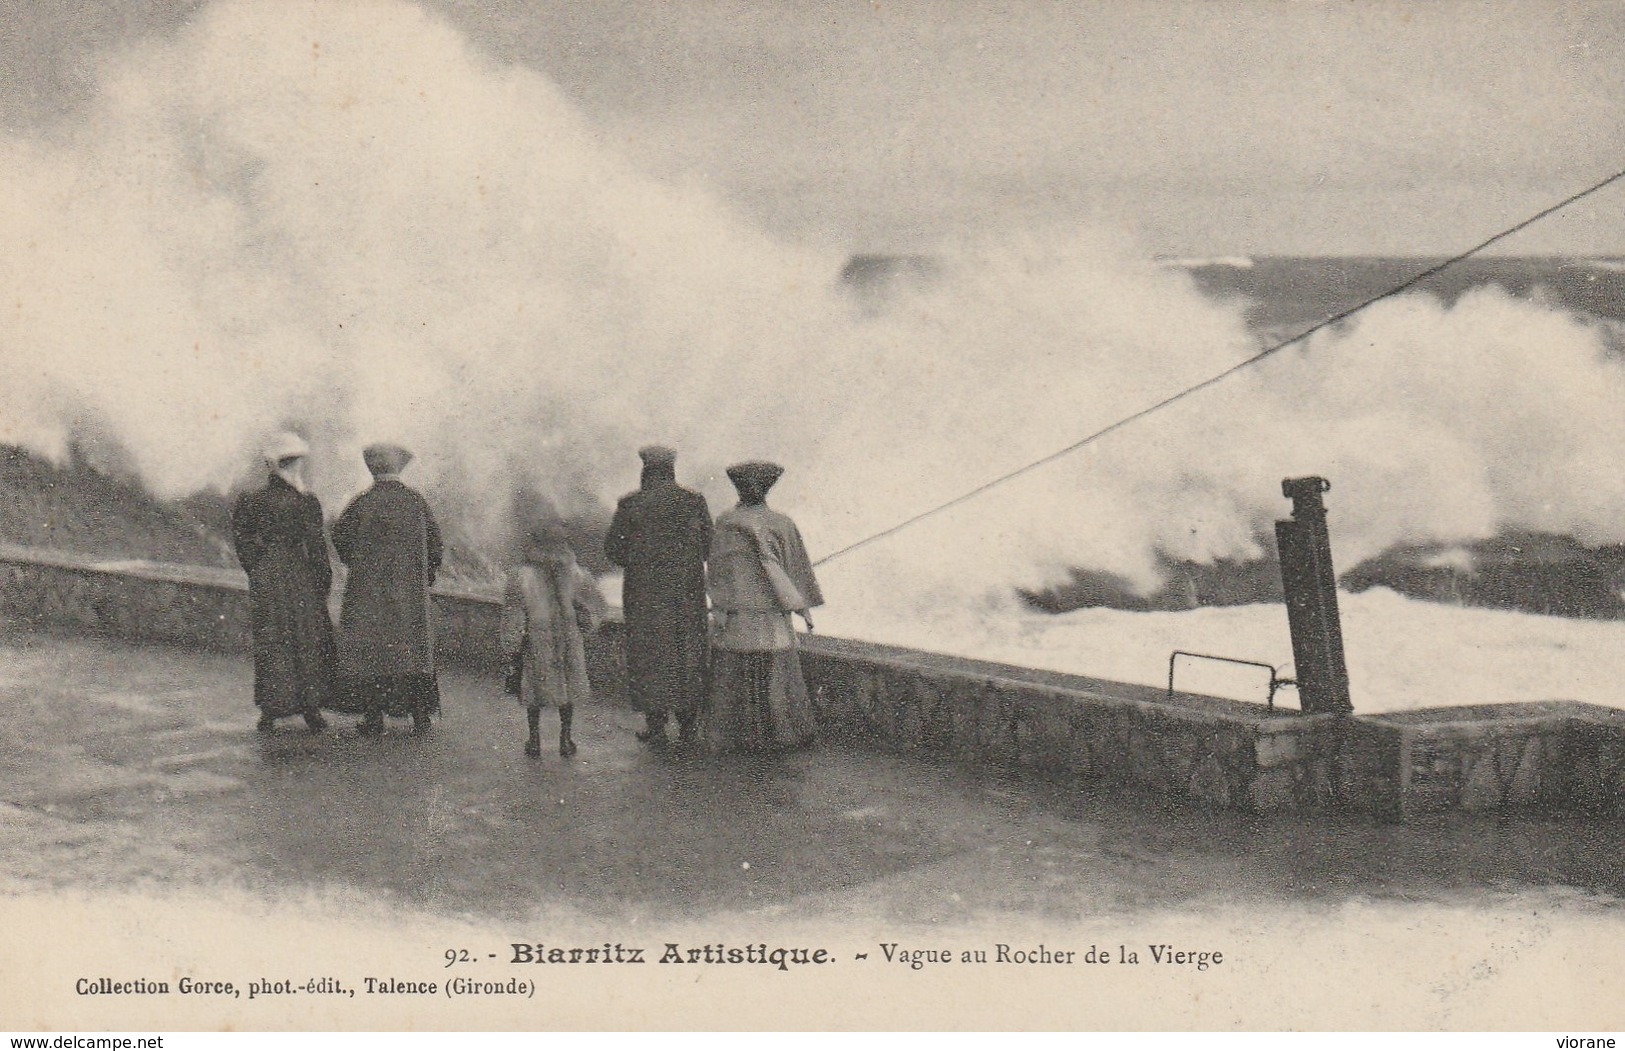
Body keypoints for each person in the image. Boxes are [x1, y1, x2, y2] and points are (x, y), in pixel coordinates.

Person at [697, 461, 823, 754]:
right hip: (772, 618)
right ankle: (780, 734)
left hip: (737, 614)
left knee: (734, 673)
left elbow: (716, 570)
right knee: (774, 674)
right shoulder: (782, 523)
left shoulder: (725, 522)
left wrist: (721, 604)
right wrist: (801, 606)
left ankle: (736, 737)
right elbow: (796, 569)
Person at [332, 443, 443, 736]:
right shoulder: (416, 503)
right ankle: (420, 716)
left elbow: (340, 536)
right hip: (409, 594)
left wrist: (358, 565)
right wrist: (425, 575)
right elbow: (436, 544)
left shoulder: (362, 503)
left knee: (373, 653)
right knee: (412, 651)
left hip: (369, 593)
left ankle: (373, 717)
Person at [604, 445, 712, 747]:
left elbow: (613, 550)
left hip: (645, 596)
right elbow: (709, 547)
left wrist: (642, 563)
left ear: (645, 471)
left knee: (649, 656)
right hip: (687, 595)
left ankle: (656, 724)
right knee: (687, 653)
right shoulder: (694, 502)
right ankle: (689, 725)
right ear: (672, 471)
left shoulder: (630, 505)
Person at [230, 432, 335, 733]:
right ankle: (311, 707)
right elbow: (317, 547)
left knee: (272, 640)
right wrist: (322, 582)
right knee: (306, 638)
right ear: (293, 465)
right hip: (299, 573)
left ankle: (271, 709)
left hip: (267, 575)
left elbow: (242, 540)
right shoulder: (306, 501)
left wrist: (257, 567)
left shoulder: (252, 500)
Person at [500, 520, 607, 758]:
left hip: (537, 639)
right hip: (568, 637)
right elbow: (594, 606)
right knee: (568, 691)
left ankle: (534, 738)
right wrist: (586, 625)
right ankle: (566, 738)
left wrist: (512, 644)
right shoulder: (575, 573)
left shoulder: (522, 576)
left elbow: (514, 613)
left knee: (533, 692)